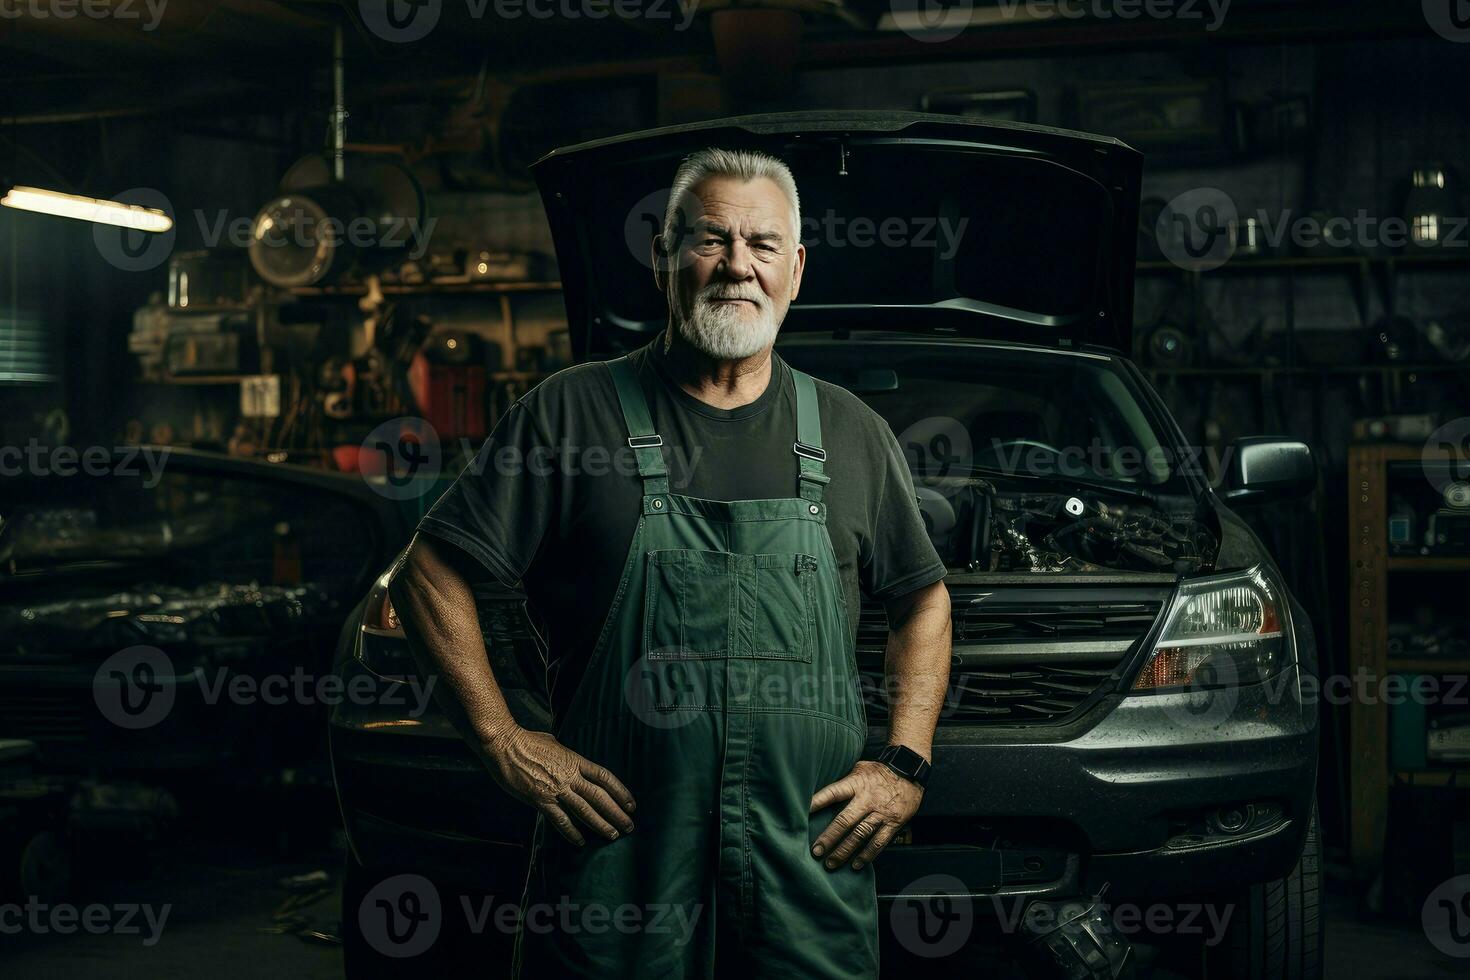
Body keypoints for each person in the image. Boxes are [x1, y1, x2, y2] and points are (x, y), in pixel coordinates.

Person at [389, 147, 953, 977]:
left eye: (762, 244)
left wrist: (904, 763)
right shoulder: (571, 413)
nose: (737, 266)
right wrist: (504, 740)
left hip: (806, 858)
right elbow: (427, 573)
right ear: (664, 258)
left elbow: (923, 602)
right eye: (710, 240)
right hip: (621, 860)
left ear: (794, 269)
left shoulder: (850, 431)